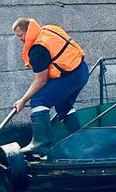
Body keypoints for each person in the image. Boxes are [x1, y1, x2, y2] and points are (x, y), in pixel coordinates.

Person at [12, 17, 90, 151]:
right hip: (81, 70)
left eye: (20, 35)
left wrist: (23, 100)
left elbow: (41, 81)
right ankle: (80, 141)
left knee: (38, 100)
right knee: (63, 104)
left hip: (70, 76)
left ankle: (40, 144)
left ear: (27, 31)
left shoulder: (37, 49)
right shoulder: (49, 29)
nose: (20, 39)